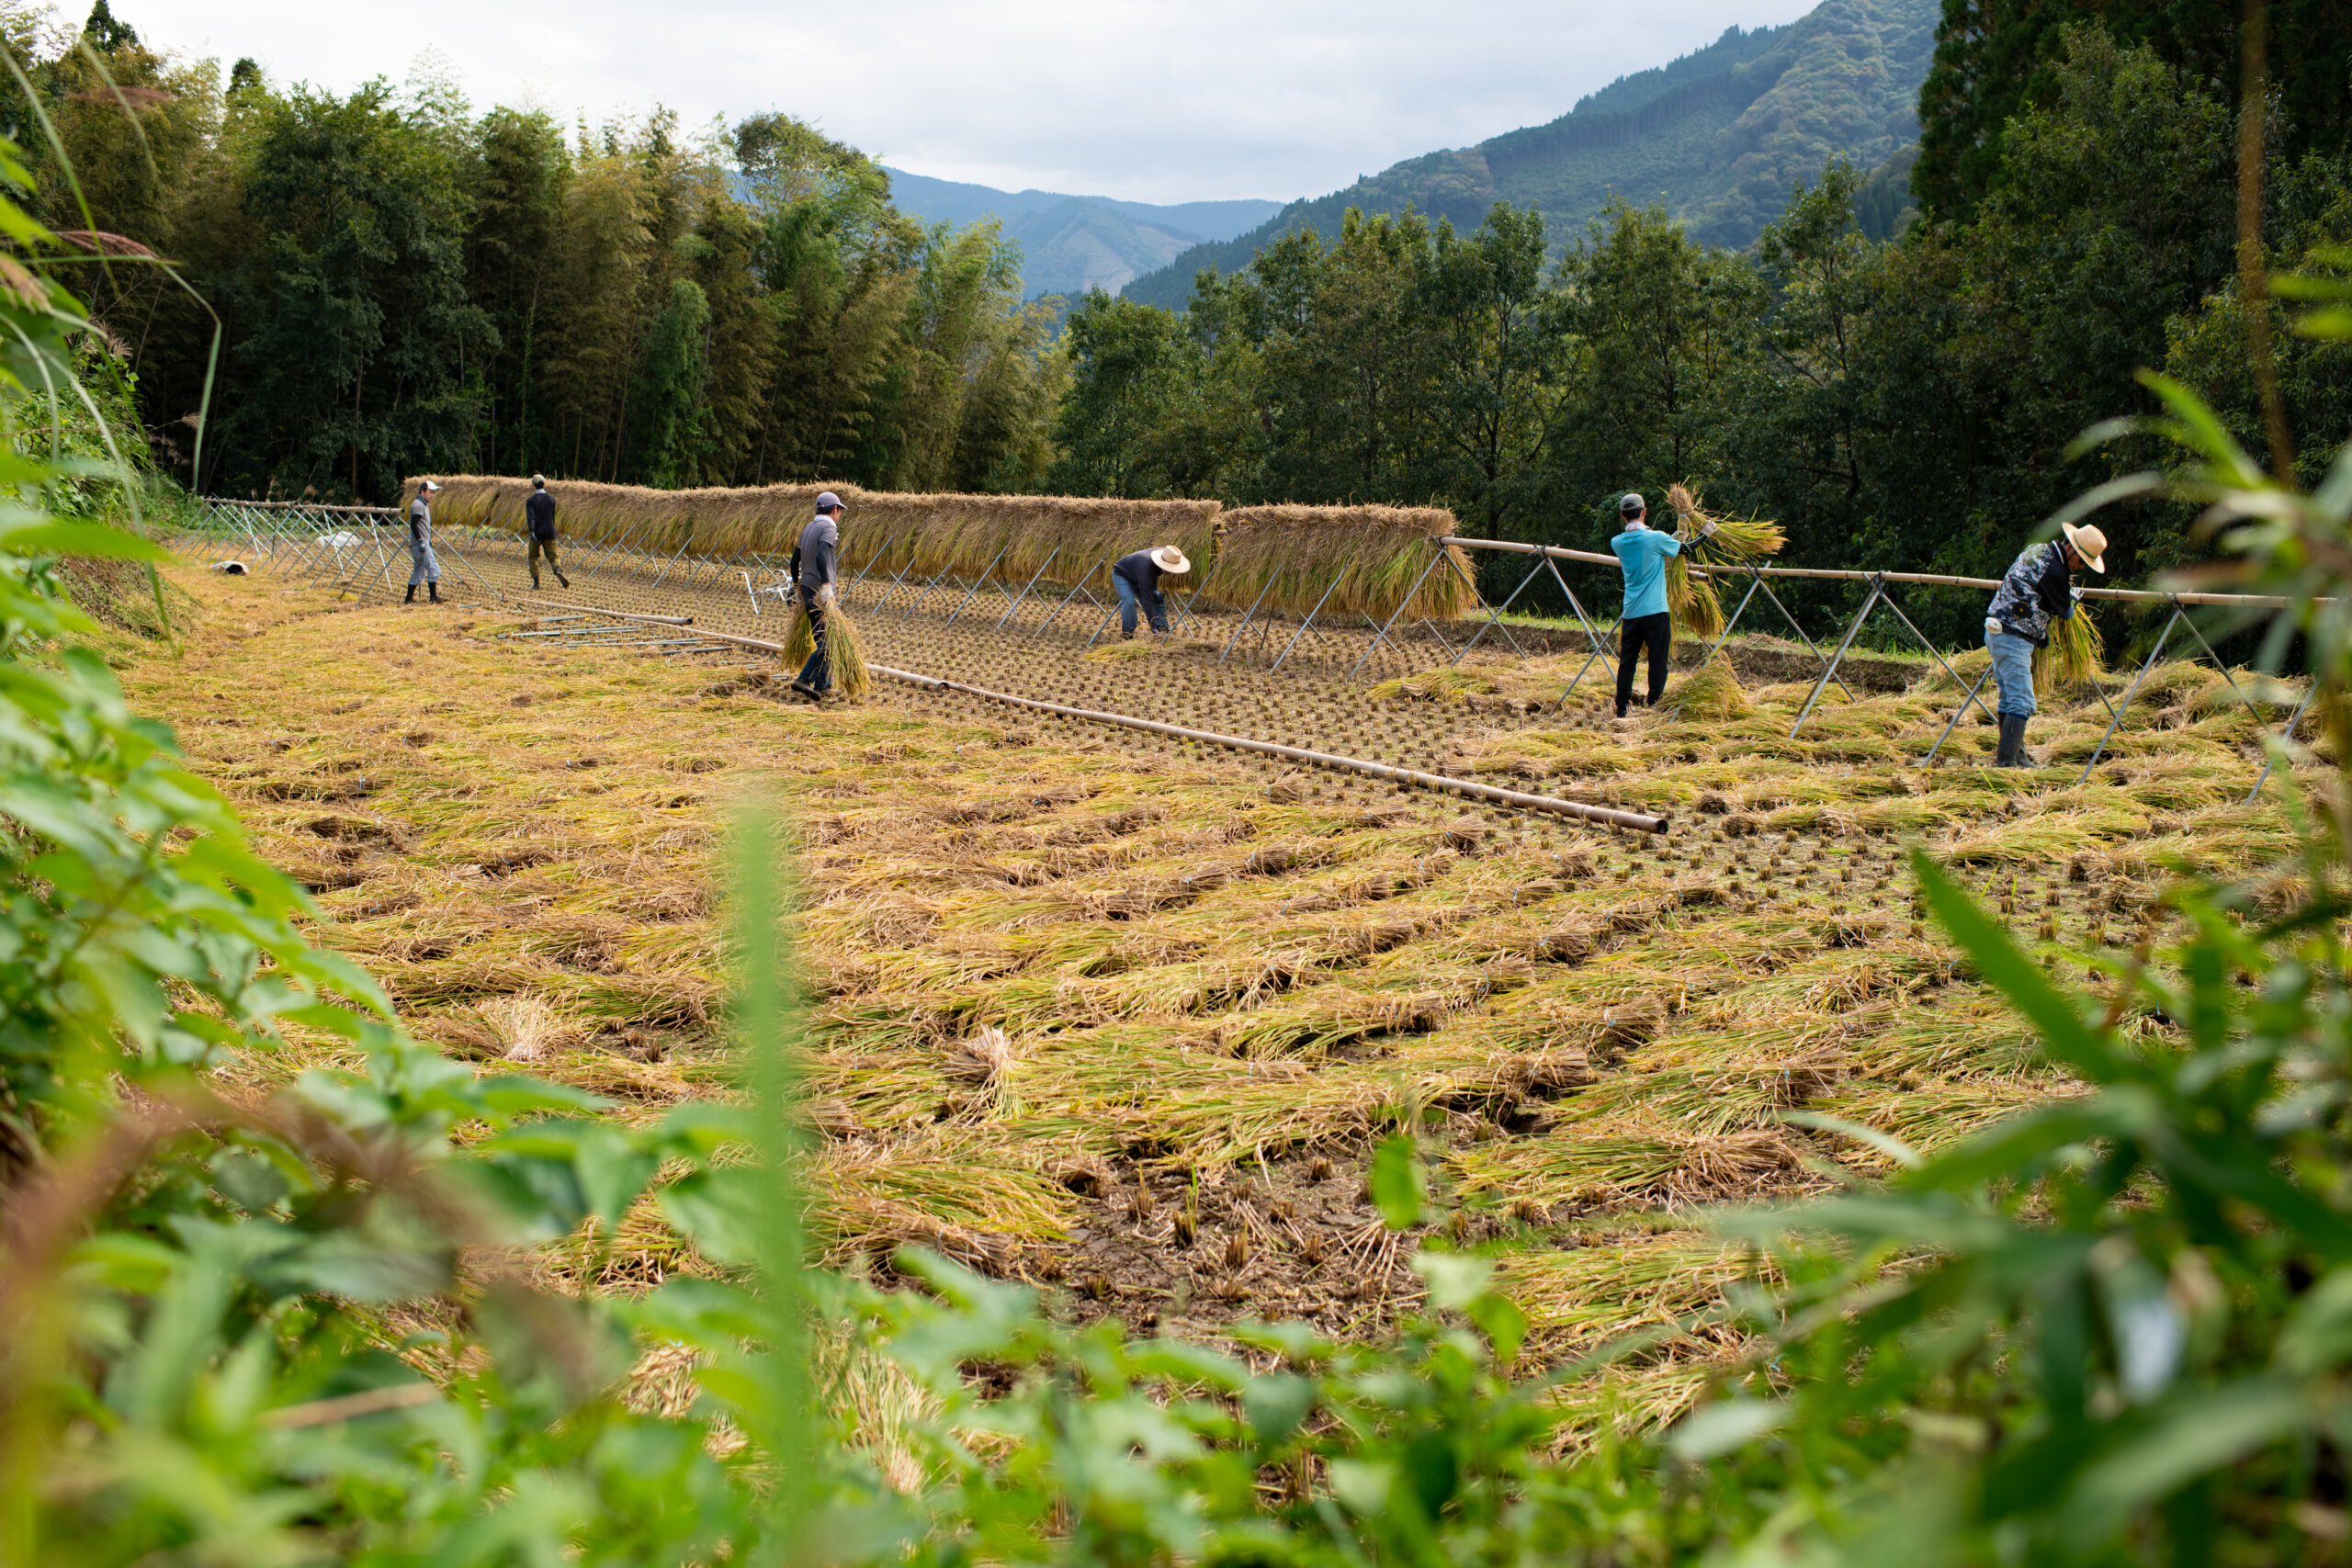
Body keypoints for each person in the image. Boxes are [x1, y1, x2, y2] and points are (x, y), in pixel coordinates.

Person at [1984, 521, 2108, 767]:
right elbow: (2067, 613)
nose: (2080, 568)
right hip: (2013, 637)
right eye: (2082, 561)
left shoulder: (2038, 549)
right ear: (2071, 549)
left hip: (1999, 631)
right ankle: (2006, 765)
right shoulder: (2055, 570)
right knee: (2022, 701)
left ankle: (2017, 758)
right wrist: (2071, 598)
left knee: (2009, 698)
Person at [1608, 492, 1710, 718]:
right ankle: (1653, 706)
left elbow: (1645, 549)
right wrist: (1705, 535)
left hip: (1632, 612)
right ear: (1644, 511)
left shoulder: (1617, 543)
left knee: (1627, 662)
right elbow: (1685, 549)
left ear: (1623, 516)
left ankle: (1621, 709)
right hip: (1655, 611)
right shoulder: (1656, 538)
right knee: (1657, 661)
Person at [789, 491, 844, 703]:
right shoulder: (829, 527)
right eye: (839, 511)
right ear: (834, 510)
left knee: (822, 636)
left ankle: (824, 685)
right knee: (830, 640)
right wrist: (826, 584)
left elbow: (794, 561)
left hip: (807, 587)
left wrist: (796, 585)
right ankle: (804, 678)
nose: (839, 515)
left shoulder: (808, 528)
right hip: (819, 590)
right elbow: (822, 554)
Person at [1112, 545, 1191, 638]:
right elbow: (1147, 601)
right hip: (1123, 574)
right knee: (1129, 602)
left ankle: (1162, 628)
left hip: (1140, 574)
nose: (1171, 572)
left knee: (1158, 599)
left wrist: (1155, 591)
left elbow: (1152, 577)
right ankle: (1128, 634)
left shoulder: (1168, 554)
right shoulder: (1146, 568)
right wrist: (1152, 624)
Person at [524, 474, 568, 590]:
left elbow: (531, 517)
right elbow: (552, 516)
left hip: (537, 533)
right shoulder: (551, 499)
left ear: (533, 485)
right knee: (553, 556)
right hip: (550, 532)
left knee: (533, 557)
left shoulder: (531, 501)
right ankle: (557, 570)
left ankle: (536, 583)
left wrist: (532, 531)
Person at [404, 479, 442, 604]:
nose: (432, 495)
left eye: (433, 493)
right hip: (420, 544)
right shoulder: (418, 505)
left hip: (420, 543)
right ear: (422, 491)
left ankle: (408, 599)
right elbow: (414, 524)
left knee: (419, 572)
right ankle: (433, 597)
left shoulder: (422, 504)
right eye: (430, 492)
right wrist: (421, 540)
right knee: (434, 568)